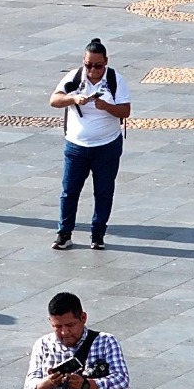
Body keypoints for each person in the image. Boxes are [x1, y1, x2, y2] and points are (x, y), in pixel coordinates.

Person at [50, 39, 130, 251]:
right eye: (88, 65)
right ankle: (64, 233)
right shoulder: (75, 77)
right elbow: (54, 100)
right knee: (69, 191)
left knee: (103, 191)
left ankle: (98, 234)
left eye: (98, 66)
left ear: (106, 62)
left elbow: (125, 111)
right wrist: (73, 99)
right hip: (76, 146)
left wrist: (106, 106)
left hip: (107, 146)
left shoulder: (115, 80)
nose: (93, 70)